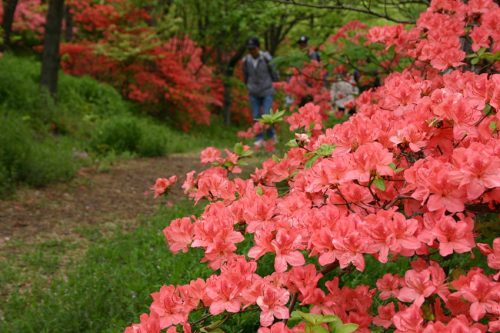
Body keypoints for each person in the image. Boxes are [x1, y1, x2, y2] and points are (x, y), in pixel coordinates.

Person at [242, 37, 279, 147]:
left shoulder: (266, 58)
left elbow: (274, 72)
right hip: (253, 91)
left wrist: (276, 84)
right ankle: (259, 138)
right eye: (249, 49)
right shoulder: (246, 61)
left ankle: (272, 136)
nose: (251, 51)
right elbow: (245, 75)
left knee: (267, 115)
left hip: (267, 90)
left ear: (258, 48)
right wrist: (248, 86)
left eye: (253, 48)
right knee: (256, 115)